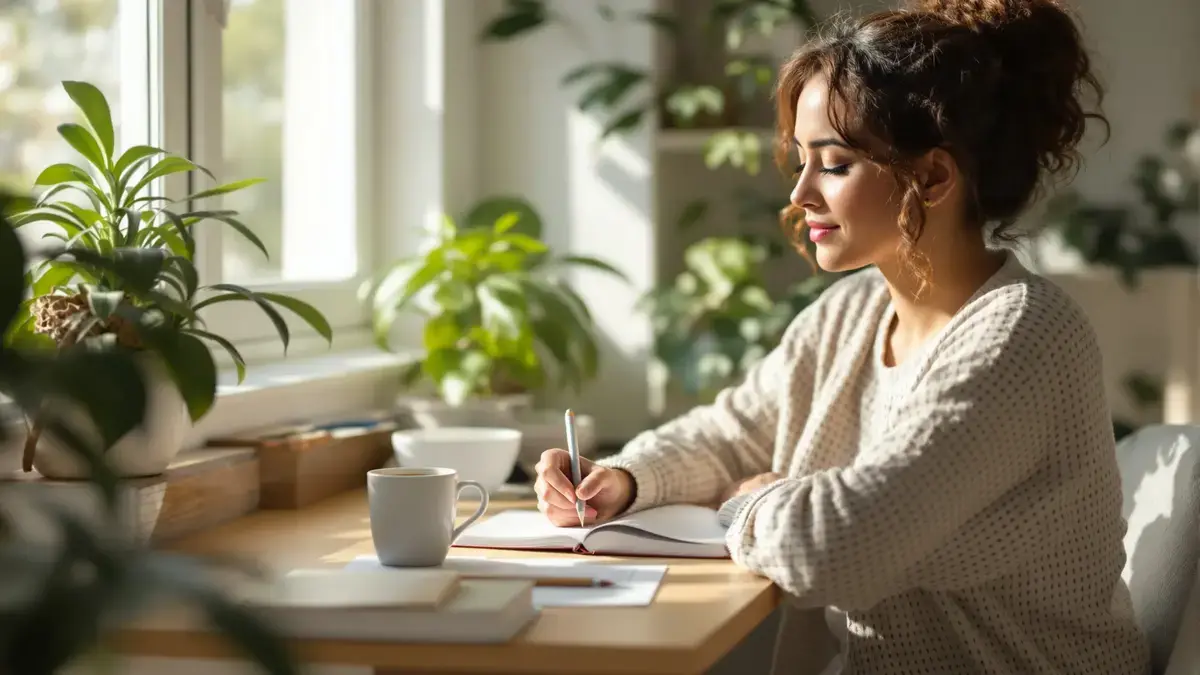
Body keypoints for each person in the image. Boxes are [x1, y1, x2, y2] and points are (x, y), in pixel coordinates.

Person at [534, 0, 1152, 672]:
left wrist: (752, 499)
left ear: (933, 177)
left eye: (832, 164)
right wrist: (623, 478)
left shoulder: (1023, 336)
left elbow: (833, 547)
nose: (800, 192)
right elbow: (731, 434)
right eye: (801, 159)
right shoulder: (849, 315)